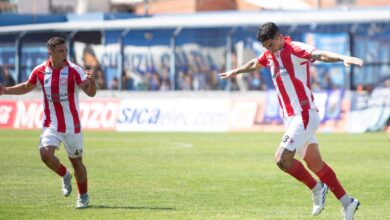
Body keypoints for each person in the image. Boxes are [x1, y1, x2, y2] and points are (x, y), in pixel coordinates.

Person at [219, 22, 363, 220]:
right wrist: (237, 71)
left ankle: (316, 188)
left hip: (304, 115)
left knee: (281, 159)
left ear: (279, 37)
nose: (268, 50)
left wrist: (342, 58)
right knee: (316, 165)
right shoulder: (270, 54)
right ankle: (348, 203)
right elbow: (255, 64)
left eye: (270, 45)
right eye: (265, 47)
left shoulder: (295, 49)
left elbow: (319, 54)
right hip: (291, 119)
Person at [0, 36, 97, 209]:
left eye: (66, 50)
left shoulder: (74, 70)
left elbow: (90, 93)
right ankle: (64, 174)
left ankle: (83, 196)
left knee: (77, 162)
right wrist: (5, 90)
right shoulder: (40, 70)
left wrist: (92, 82)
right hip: (51, 123)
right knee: (45, 155)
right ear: (50, 53)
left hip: (71, 125)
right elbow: (26, 87)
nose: (64, 54)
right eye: (60, 51)